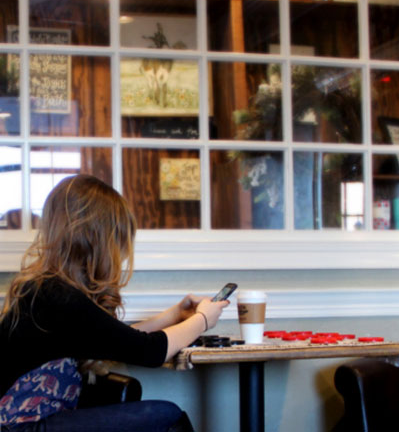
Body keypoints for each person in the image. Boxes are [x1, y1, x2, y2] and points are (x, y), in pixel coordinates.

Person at [0, 175, 228, 431]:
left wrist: (175, 314)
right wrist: (203, 319)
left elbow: (120, 339)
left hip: (30, 422)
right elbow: (150, 351)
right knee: (168, 416)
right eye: (118, 241)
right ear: (98, 242)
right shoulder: (57, 296)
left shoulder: (46, 288)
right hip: (21, 427)